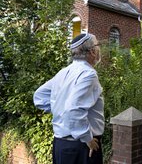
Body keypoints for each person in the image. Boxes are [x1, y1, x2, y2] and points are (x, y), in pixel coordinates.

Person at [33, 33, 104, 164]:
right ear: (92, 51)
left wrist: (61, 110)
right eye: (98, 46)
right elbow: (74, 109)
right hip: (82, 147)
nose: (99, 49)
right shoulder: (88, 74)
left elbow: (39, 96)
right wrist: (87, 138)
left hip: (61, 145)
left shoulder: (64, 72)